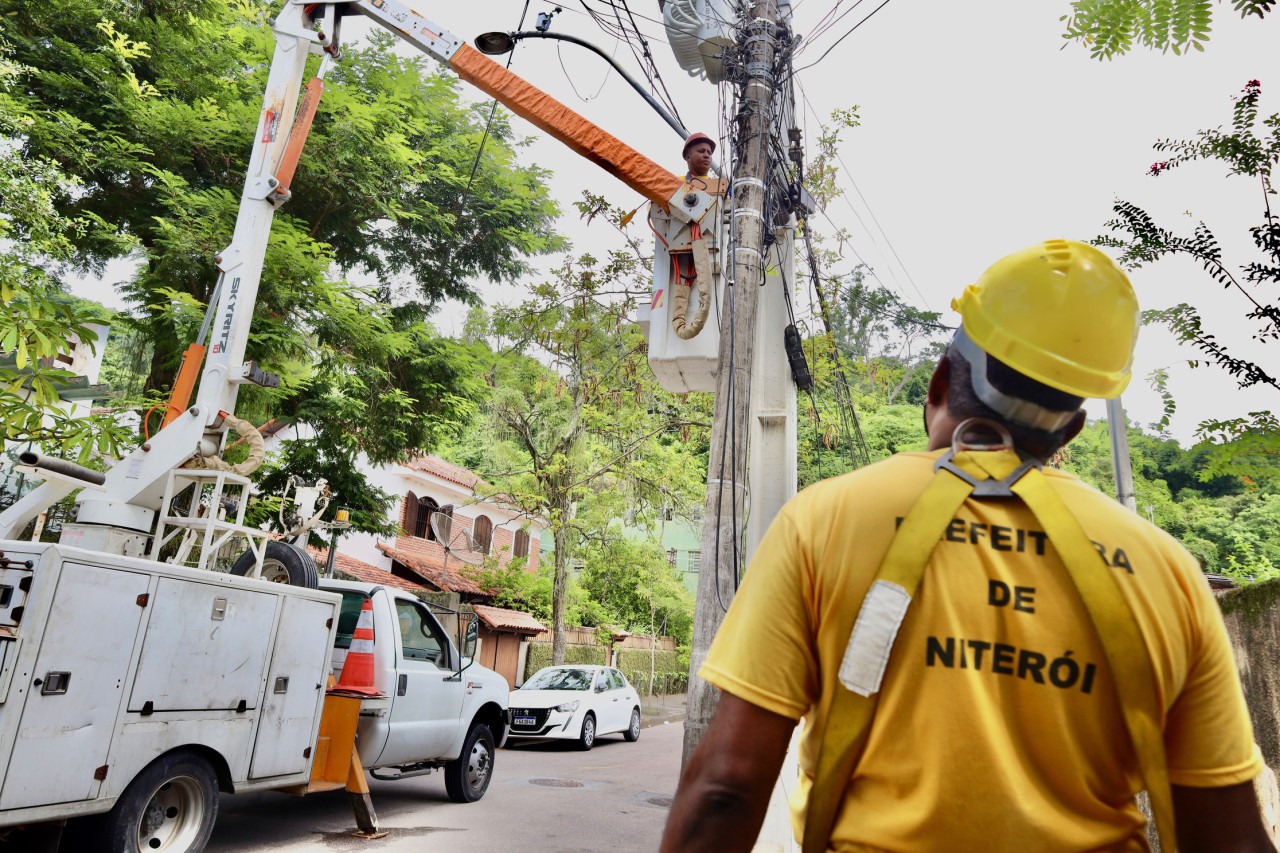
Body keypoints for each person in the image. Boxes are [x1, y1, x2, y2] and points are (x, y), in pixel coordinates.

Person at [660, 240, 1272, 853]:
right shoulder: (1167, 571)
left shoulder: (826, 520)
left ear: (939, 382)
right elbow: (1234, 839)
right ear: (1073, 430)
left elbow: (727, 789)